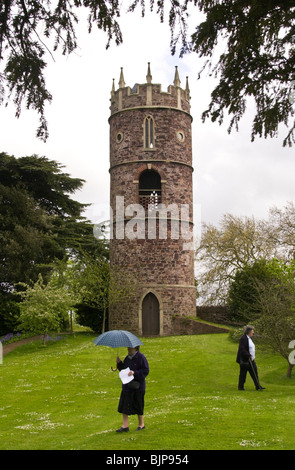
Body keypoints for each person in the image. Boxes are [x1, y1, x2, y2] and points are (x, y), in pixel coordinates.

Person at [115, 345, 149, 432]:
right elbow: (124, 370)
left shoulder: (141, 357)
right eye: (128, 347)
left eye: (131, 347)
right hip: (127, 386)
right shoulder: (127, 358)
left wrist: (135, 372)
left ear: (136, 348)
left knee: (138, 405)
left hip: (138, 386)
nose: (128, 349)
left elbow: (146, 370)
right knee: (124, 405)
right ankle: (125, 426)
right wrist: (119, 363)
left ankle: (141, 425)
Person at [236, 325, 265, 391]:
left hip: (251, 359)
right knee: (243, 374)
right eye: (252, 331)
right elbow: (242, 349)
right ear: (249, 332)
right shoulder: (243, 338)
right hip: (245, 360)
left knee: (254, 372)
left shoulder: (249, 338)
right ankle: (241, 387)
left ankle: (258, 386)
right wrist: (248, 354)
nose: (253, 332)